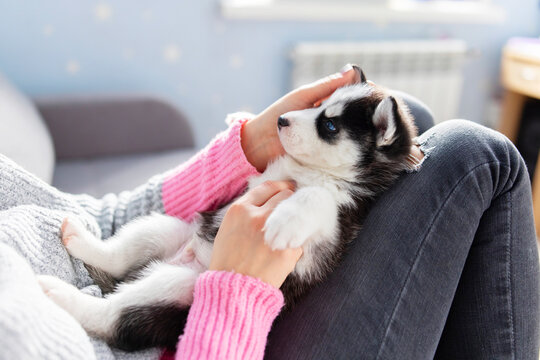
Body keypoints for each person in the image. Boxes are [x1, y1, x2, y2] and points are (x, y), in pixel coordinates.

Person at [0, 65, 537, 360]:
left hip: (223, 265)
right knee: (476, 157)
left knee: (411, 117)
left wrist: (249, 145)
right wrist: (232, 288)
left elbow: (108, 212)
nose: (298, 122)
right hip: (212, 330)